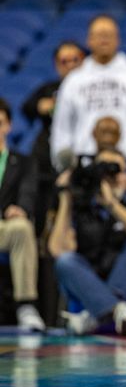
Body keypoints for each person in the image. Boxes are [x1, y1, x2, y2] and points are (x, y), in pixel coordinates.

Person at [49, 149, 126, 335]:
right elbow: (57, 249)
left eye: (117, 170)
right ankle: (118, 310)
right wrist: (65, 198)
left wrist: (112, 204)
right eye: (104, 172)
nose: (111, 177)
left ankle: (95, 315)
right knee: (65, 261)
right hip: (92, 274)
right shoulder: (82, 206)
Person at [50, 15, 126, 178]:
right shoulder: (74, 80)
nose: (104, 40)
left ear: (118, 39)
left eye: (108, 35)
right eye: (99, 35)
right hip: (85, 162)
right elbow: (62, 128)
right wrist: (64, 165)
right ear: (89, 40)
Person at [22, 41, 84, 233]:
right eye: (64, 61)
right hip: (47, 161)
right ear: (57, 65)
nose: (70, 65)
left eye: (75, 60)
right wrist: (42, 105)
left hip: (79, 157)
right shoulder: (51, 88)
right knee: (42, 209)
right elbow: (28, 108)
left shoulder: (90, 88)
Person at [0, 98, 45, 332]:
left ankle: (26, 305)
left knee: (22, 227)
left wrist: (22, 209)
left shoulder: (24, 162)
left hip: (5, 227)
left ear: (8, 126)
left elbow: (28, 193)